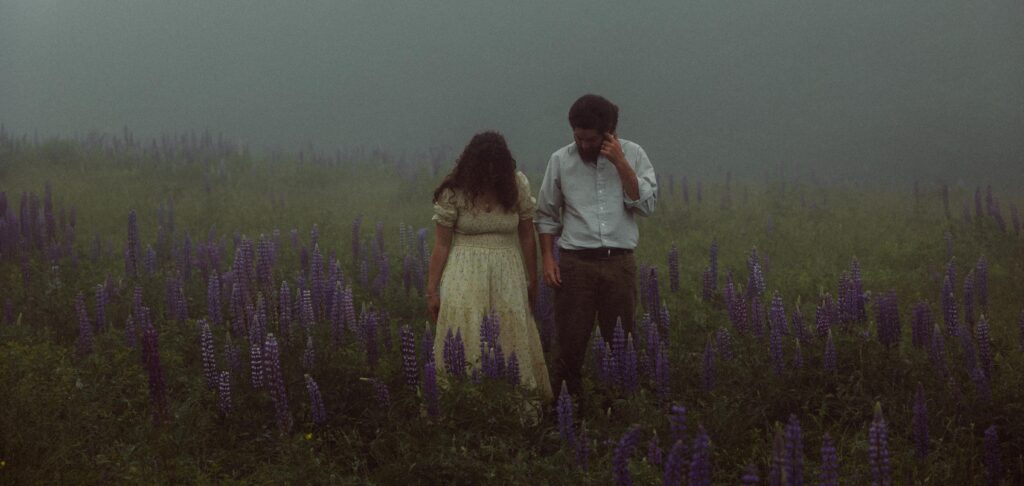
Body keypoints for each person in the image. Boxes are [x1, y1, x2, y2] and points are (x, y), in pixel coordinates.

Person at [535, 94, 657, 399]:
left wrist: (620, 162)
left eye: (591, 139)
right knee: (569, 346)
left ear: (610, 133)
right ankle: (565, 414)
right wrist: (548, 259)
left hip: (620, 263)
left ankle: (615, 410)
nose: (584, 145)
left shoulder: (634, 154)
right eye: (578, 138)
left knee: (621, 343)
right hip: (575, 265)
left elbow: (646, 206)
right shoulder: (561, 160)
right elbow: (546, 214)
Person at [427, 131, 553, 400]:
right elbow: (441, 245)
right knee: (464, 329)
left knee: (510, 331)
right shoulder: (454, 190)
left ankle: (512, 403)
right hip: (464, 270)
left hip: (507, 269)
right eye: (485, 168)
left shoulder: (516, 184)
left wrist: (533, 280)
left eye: (497, 169)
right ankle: (464, 401)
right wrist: (432, 290)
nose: (491, 175)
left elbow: (527, 236)